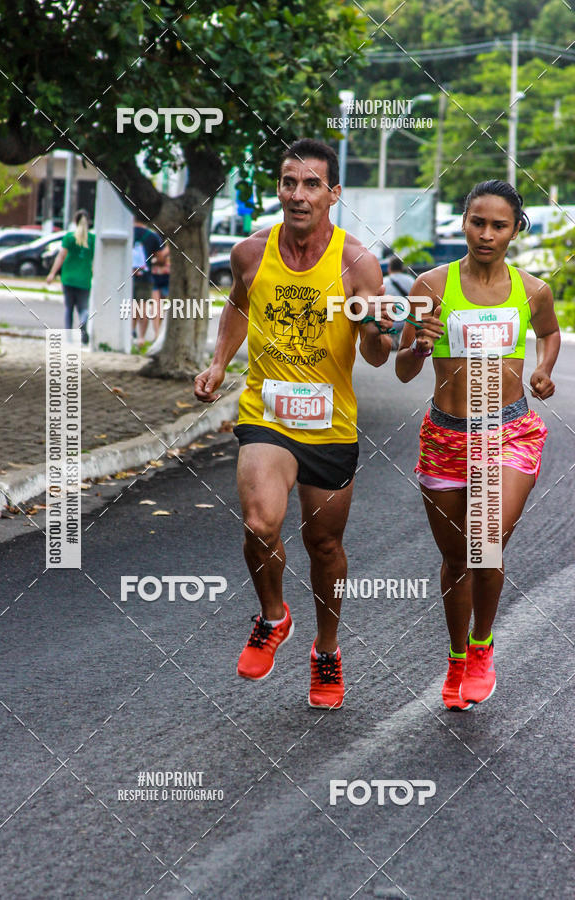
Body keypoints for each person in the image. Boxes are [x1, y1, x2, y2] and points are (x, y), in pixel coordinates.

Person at [195, 138, 393, 709]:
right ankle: (273, 616)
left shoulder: (357, 263)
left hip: (330, 423)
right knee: (261, 523)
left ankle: (326, 649)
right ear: (278, 188)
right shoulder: (251, 253)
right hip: (268, 415)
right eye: (289, 182)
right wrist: (218, 363)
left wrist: (381, 329)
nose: (298, 194)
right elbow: (238, 303)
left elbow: (377, 355)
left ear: (334, 194)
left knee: (323, 544)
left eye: (312, 184)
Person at [396, 180, 560, 710]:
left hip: (508, 432)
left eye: (498, 225)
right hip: (446, 435)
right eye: (477, 222)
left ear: (515, 230)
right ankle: (456, 655)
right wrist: (418, 348)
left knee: (484, 543)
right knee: (455, 559)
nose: (486, 234)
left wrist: (543, 367)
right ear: (464, 222)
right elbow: (402, 370)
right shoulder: (430, 286)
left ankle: (483, 645)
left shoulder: (532, 289)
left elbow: (549, 332)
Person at [46, 209, 95, 344]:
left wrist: (52, 273)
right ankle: (83, 322)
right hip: (84, 278)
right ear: (88, 222)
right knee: (83, 308)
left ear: (75, 221)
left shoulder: (69, 237)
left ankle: (68, 337)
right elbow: (95, 260)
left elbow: (61, 256)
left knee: (69, 308)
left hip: (68, 277)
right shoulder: (93, 239)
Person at [132, 218, 161, 346]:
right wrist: (153, 261)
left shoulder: (128, 232)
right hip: (145, 276)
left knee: (130, 305)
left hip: (128, 276)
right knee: (143, 307)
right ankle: (141, 338)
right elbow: (160, 258)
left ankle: (130, 333)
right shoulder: (152, 236)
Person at [383, 256, 415, 349]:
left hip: (389, 320)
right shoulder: (410, 280)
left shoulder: (384, 282)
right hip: (407, 321)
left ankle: (391, 339)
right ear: (402, 267)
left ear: (389, 268)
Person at [150, 240, 169, 341]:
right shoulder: (156, 240)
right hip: (155, 276)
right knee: (156, 305)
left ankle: (158, 331)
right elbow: (160, 257)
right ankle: (156, 333)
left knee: (161, 307)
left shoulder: (175, 242)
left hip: (167, 277)